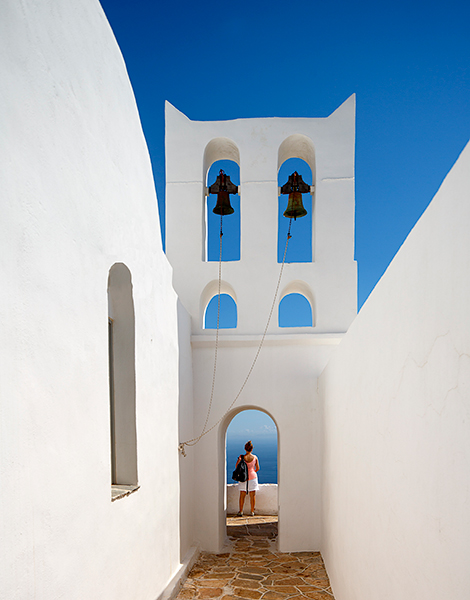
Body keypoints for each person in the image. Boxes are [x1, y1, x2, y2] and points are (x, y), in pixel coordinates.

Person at [235, 440, 260, 516]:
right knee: (252, 495)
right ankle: (252, 511)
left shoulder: (241, 457)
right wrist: (252, 472)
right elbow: (257, 468)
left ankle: (241, 511)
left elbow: (236, 466)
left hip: (243, 477)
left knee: (242, 495)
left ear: (245, 449)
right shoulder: (255, 457)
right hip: (253, 477)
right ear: (252, 449)